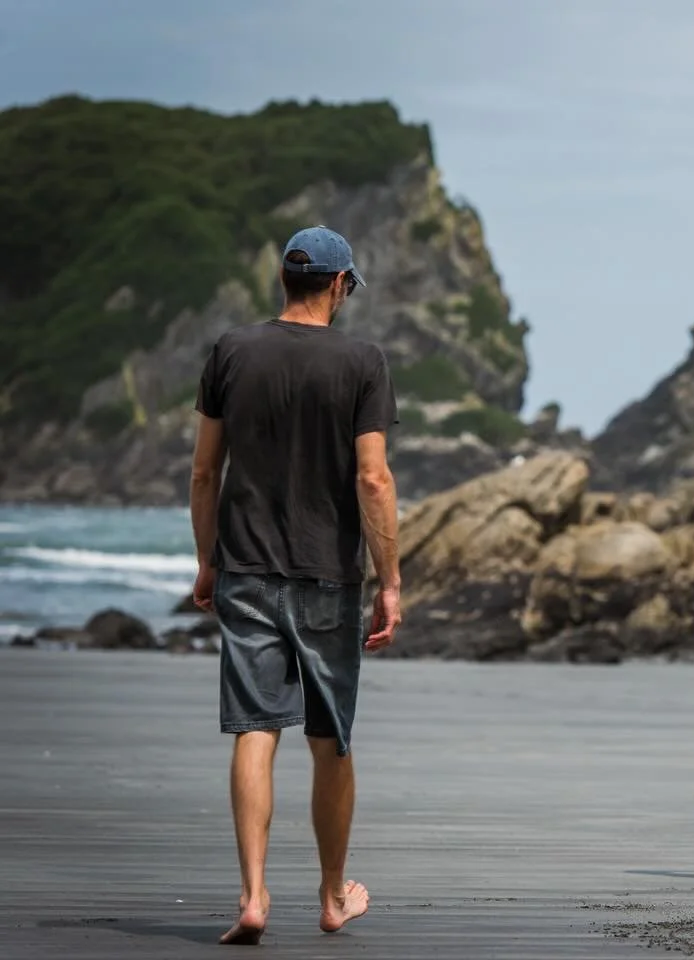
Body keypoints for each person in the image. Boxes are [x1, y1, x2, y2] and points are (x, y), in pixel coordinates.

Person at [188, 224, 402, 945]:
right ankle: (333, 896)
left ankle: (253, 896)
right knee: (329, 737)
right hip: (327, 576)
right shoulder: (362, 361)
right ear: (339, 284)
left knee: (255, 727)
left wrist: (207, 559)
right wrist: (390, 580)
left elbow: (203, 471)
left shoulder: (231, 351)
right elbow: (373, 478)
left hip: (246, 568)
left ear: (284, 278)